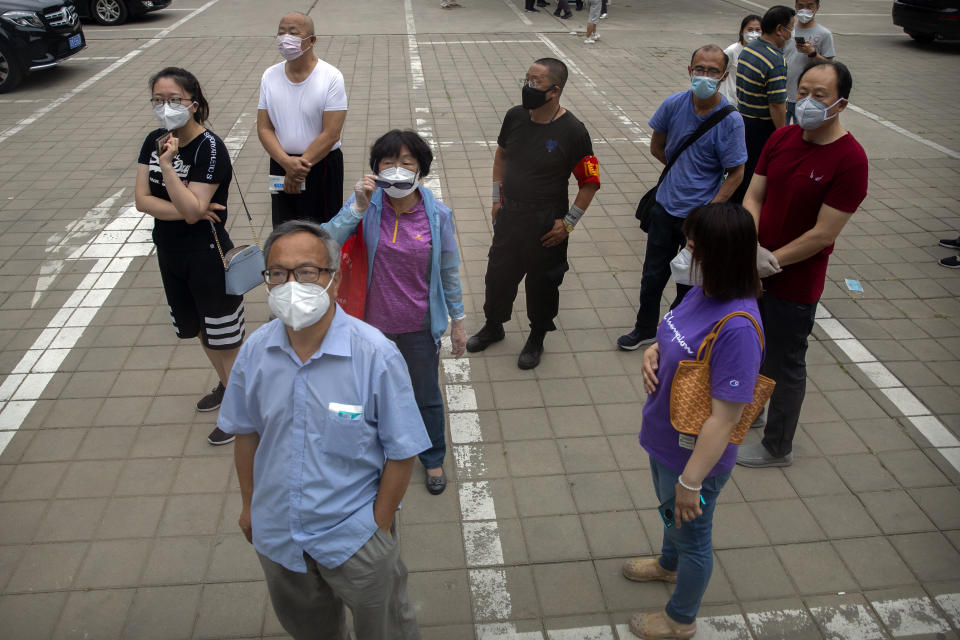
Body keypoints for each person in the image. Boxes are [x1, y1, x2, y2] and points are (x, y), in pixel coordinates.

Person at [219, 221, 430, 640]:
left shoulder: (375, 355)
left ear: (334, 278)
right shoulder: (255, 353)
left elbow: (402, 450)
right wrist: (250, 508)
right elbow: (246, 435)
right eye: (277, 273)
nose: (291, 284)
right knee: (310, 630)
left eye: (306, 272)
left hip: (354, 536)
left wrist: (379, 526)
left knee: (386, 629)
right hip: (279, 536)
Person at [621, 203, 764, 640]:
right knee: (673, 518)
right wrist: (653, 352)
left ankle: (680, 619)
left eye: (693, 246)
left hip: (692, 457)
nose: (684, 253)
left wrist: (691, 483)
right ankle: (668, 564)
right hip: (664, 437)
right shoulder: (703, 291)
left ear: (720, 256)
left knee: (695, 537)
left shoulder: (738, 327)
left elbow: (725, 418)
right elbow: (672, 335)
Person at [736, 61, 868, 468]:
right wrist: (753, 244)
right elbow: (753, 195)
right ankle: (751, 412)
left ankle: (779, 446)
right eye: (803, 92)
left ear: (840, 103)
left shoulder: (850, 160)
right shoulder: (782, 138)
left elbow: (824, 233)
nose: (807, 102)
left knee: (785, 362)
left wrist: (772, 260)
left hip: (793, 284)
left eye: (820, 95)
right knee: (753, 348)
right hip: (753, 268)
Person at [323, 129, 467, 495]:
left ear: (421, 170)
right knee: (367, 395)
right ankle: (368, 457)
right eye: (389, 163)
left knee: (426, 396)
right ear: (376, 170)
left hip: (419, 327)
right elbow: (324, 244)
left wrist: (458, 322)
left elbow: (449, 269)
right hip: (370, 328)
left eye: (407, 163)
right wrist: (356, 207)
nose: (398, 170)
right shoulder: (366, 206)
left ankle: (432, 457)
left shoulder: (439, 215)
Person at [466, 58, 600, 370]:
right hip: (510, 215)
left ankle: (537, 336)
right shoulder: (514, 116)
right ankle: (494, 325)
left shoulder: (573, 131)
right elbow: (501, 154)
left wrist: (568, 223)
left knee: (542, 285)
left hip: (546, 222)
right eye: (526, 78)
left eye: (535, 82)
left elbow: (590, 183)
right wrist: (496, 198)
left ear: (554, 91)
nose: (527, 86)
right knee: (498, 277)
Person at [134, 67, 243, 445]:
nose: (166, 107)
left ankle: (242, 411)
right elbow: (141, 201)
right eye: (159, 99)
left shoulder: (209, 148)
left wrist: (166, 168)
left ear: (193, 104)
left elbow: (196, 214)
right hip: (170, 251)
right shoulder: (154, 139)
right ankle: (229, 388)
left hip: (206, 254)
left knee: (226, 339)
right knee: (198, 329)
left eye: (175, 99)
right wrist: (188, 206)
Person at [617, 45, 746, 351]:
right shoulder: (673, 105)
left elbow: (736, 173)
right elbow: (656, 147)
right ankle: (645, 328)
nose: (705, 76)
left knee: (689, 284)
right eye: (699, 69)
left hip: (699, 218)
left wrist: (711, 209)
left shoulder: (730, 120)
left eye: (713, 71)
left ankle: (676, 333)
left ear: (724, 75)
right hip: (664, 208)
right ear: (689, 72)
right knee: (652, 276)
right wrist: (682, 174)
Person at [258, 12, 347, 228]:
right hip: (281, 163)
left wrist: (298, 169)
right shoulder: (270, 76)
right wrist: (286, 163)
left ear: (312, 40)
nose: (285, 38)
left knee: (323, 232)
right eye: (281, 32)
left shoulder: (331, 77)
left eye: (293, 32)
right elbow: (264, 128)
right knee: (284, 229)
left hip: (321, 165)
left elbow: (331, 133)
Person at [731, 5, 795, 204]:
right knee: (755, 176)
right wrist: (782, 133)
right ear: (779, 29)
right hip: (762, 127)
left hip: (743, 118)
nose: (791, 33)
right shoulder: (775, 60)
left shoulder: (749, 48)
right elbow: (776, 104)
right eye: (790, 27)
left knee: (741, 170)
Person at [784, 0, 835, 124]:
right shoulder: (786, 31)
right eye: (800, 6)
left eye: (809, 5)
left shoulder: (824, 34)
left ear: (817, 7)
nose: (804, 9)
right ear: (795, 6)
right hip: (782, 94)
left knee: (801, 134)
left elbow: (830, 66)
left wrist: (812, 53)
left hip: (805, 99)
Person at [719, 14, 762, 106]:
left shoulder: (762, 53)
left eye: (758, 30)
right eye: (750, 29)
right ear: (742, 32)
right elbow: (718, 72)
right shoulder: (732, 51)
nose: (754, 33)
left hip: (749, 103)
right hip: (730, 102)